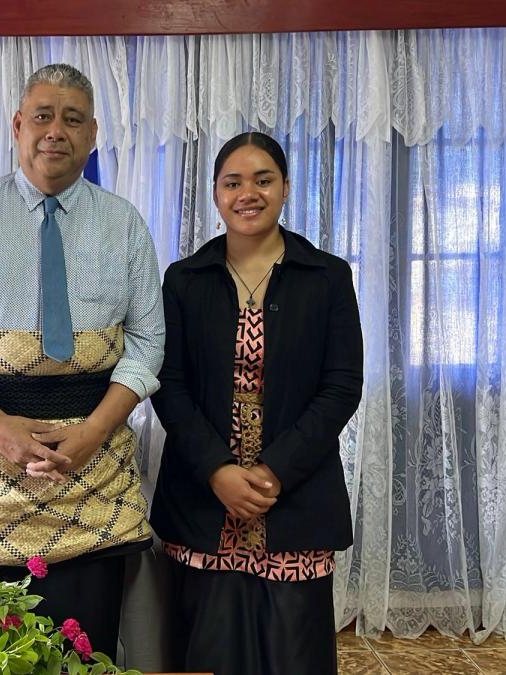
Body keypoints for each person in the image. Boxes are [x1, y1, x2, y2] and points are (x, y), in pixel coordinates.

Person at [0, 63, 164, 657]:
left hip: (93, 471)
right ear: (18, 125)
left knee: (84, 651)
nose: (56, 131)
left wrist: (92, 433)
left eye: (72, 119)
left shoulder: (124, 224)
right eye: (43, 116)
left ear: (92, 134)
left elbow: (149, 342)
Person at [150, 131, 363, 674]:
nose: (248, 193)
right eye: (233, 183)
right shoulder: (184, 280)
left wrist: (275, 471)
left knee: (294, 656)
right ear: (216, 194)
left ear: (286, 187)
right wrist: (217, 470)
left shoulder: (327, 277)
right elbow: (167, 384)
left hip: (294, 497)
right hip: (204, 500)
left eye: (263, 180)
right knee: (208, 654)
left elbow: (341, 386)